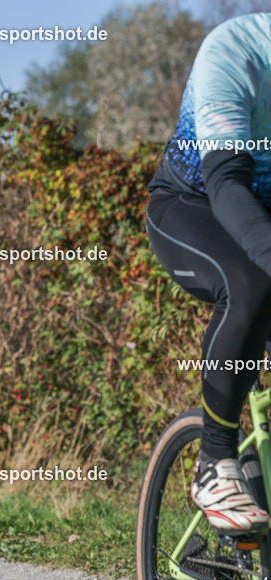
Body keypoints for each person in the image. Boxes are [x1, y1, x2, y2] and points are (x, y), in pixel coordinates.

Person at [147, 13, 271, 534]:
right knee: (252, 281)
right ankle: (214, 461)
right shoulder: (236, 51)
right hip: (195, 205)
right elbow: (226, 184)